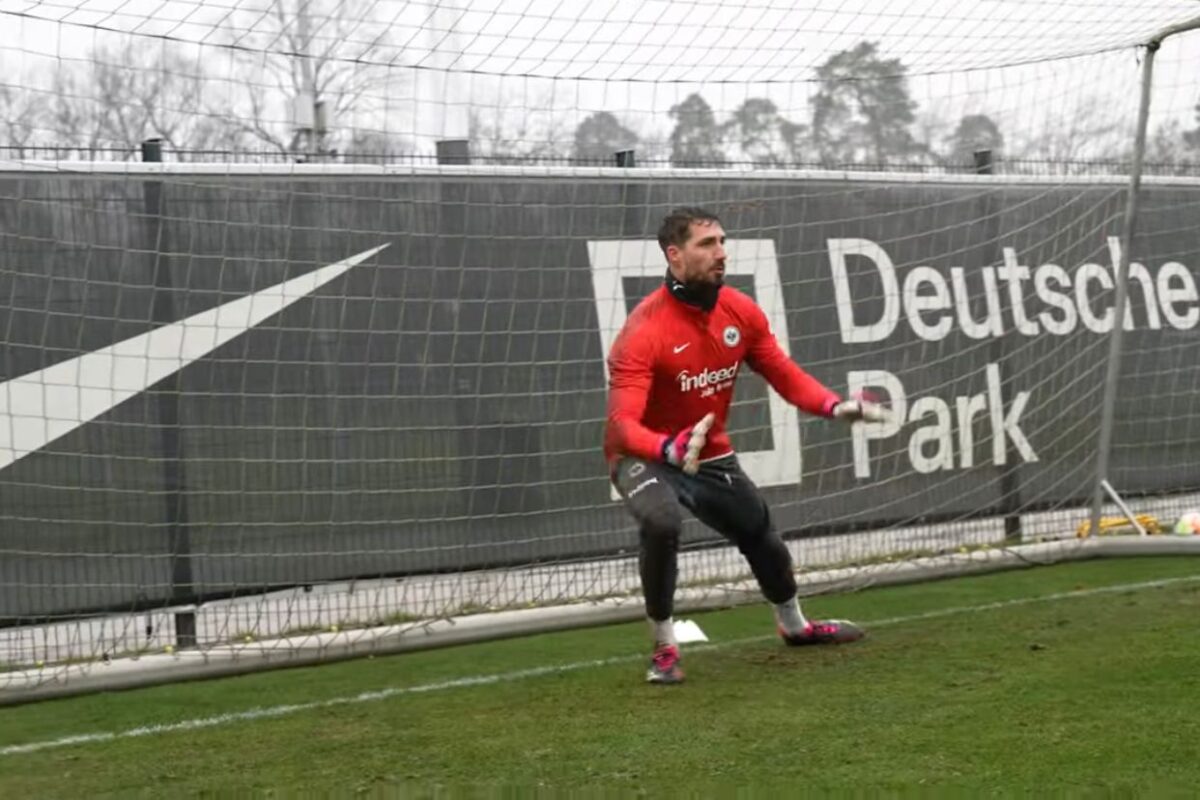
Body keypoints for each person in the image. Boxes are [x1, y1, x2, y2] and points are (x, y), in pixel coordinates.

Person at [603, 207, 887, 684]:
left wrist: (834, 407)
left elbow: (783, 373)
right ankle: (665, 647)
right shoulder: (642, 332)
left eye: (722, 241)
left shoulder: (740, 310)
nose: (721, 252)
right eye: (707, 244)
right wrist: (668, 449)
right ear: (675, 255)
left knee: (759, 529)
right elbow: (622, 427)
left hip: (709, 453)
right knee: (661, 521)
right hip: (645, 454)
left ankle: (795, 626)